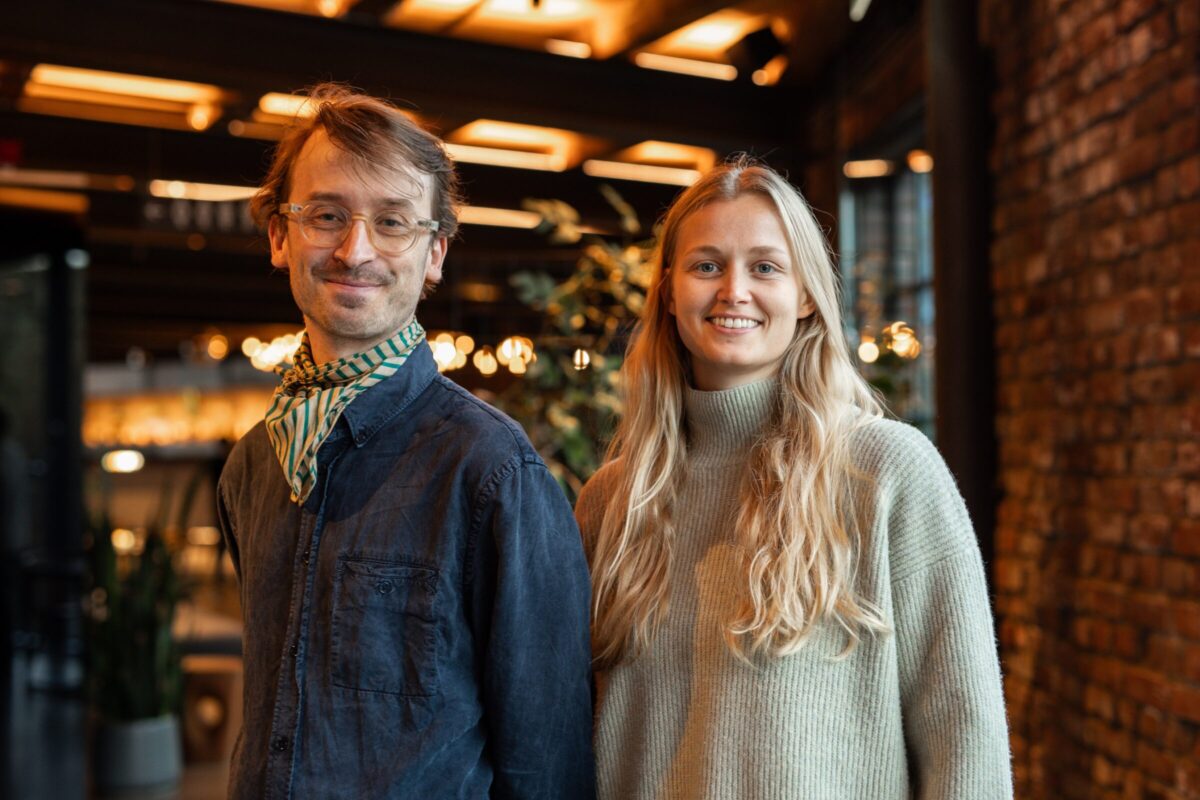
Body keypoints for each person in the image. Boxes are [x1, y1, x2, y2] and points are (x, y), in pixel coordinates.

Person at [575, 156, 1012, 799]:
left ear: (807, 293)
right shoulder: (612, 501)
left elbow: (965, 740)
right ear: (669, 291)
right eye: (706, 265)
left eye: (765, 267)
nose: (734, 291)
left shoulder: (886, 472)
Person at [217, 83, 594, 799]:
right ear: (279, 236)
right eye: (326, 215)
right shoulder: (255, 464)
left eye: (393, 222)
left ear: (434, 254)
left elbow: (548, 760)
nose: (355, 249)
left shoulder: (491, 469)